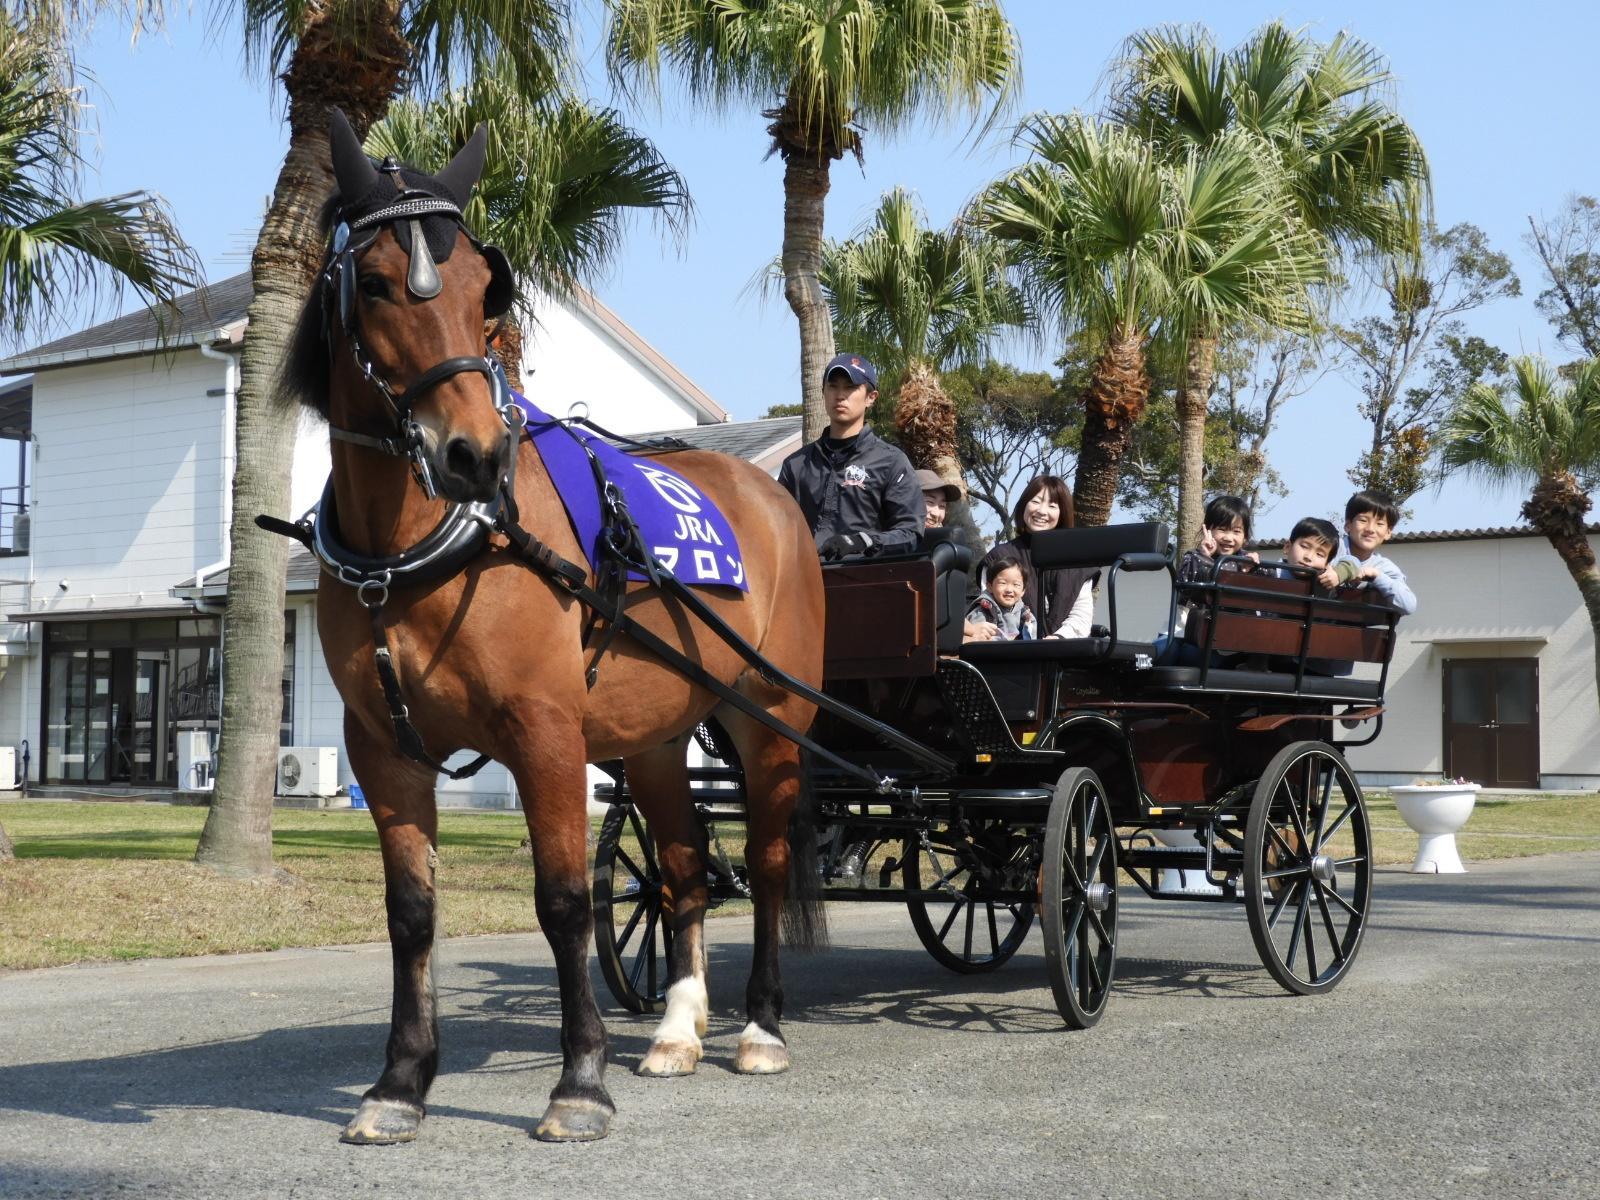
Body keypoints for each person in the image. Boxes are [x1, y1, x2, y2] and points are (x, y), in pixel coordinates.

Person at [777, 352, 924, 559]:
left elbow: (910, 533)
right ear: (823, 392)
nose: (840, 395)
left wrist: (862, 542)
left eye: (850, 387)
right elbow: (775, 527)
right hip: (803, 575)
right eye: (833, 386)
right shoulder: (796, 464)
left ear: (871, 398)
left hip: (862, 575)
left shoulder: (892, 462)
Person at [974, 475, 1096, 642]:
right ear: (1024, 505)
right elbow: (989, 610)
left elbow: (1081, 617)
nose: (1042, 511)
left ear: (1062, 513)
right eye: (1036, 501)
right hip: (1010, 651)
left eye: (1052, 505)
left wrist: (1058, 638)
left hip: (1064, 651)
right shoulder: (998, 557)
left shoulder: (1078, 563)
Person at [1331, 488, 1417, 615]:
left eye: (1379, 524)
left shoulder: (1384, 568)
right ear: (1348, 525)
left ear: (1388, 532)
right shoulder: (1330, 547)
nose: (1370, 529)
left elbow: (1408, 605)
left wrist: (1376, 576)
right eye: (1363, 520)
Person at [964, 554, 1037, 641]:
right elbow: (977, 640)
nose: (1009, 589)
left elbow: (1033, 636)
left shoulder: (1025, 613)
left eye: (1016, 584)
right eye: (1003, 583)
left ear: (1023, 591)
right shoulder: (983, 611)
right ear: (990, 586)